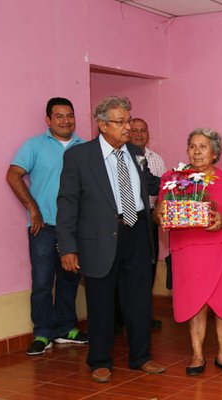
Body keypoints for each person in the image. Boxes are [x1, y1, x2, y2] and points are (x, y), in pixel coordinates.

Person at [57, 96, 165, 383]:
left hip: (137, 232)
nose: (128, 127)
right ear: (102, 125)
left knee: (140, 301)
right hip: (99, 238)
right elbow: (67, 203)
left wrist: (186, 179)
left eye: (129, 120)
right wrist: (67, 247)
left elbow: (152, 185)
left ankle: (141, 356)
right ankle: (100, 360)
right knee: (101, 302)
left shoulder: (135, 151)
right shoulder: (79, 157)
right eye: (121, 122)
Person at [158, 128, 222, 375]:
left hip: (221, 250)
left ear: (215, 153)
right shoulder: (173, 178)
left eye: (203, 147)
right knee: (195, 303)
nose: (197, 151)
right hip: (187, 251)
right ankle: (197, 356)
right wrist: (162, 216)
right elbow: (159, 214)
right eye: (192, 146)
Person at [7, 97, 88, 356]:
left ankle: (65, 328)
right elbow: (13, 174)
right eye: (59, 116)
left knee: (69, 279)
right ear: (48, 120)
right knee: (42, 281)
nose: (66, 121)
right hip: (43, 228)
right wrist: (33, 209)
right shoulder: (34, 146)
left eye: (70, 116)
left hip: (74, 228)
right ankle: (43, 332)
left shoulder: (85, 147)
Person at [130, 117, 166, 329]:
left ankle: (144, 314)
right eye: (134, 130)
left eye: (143, 130)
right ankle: (122, 317)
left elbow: (161, 190)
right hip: (128, 219)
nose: (138, 134)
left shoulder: (156, 160)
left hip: (150, 218)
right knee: (127, 269)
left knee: (148, 267)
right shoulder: (120, 158)